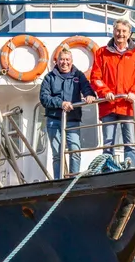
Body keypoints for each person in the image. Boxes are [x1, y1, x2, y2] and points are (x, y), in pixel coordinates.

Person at [89, 18, 135, 168]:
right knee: (108, 143)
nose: (120, 34)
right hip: (108, 106)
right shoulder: (101, 53)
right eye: (118, 30)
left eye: (124, 31)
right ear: (113, 31)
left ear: (129, 34)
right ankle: (107, 170)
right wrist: (105, 92)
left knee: (131, 142)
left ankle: (131, 169)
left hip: (129, 106)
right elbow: (96, 77)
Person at [39, 49, 96, 178]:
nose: (64, 62)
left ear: (71, 61)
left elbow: (86, 87)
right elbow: (44, 98)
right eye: (62, 59)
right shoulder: (49, 77)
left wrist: (89, 95)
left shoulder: (78, 75)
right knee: (57, 153)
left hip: (72, 119)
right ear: (57, 61)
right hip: (54, 120)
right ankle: (59, 179)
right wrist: (61, 103)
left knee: (75, 150)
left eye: (67, 59)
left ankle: (73, 178)